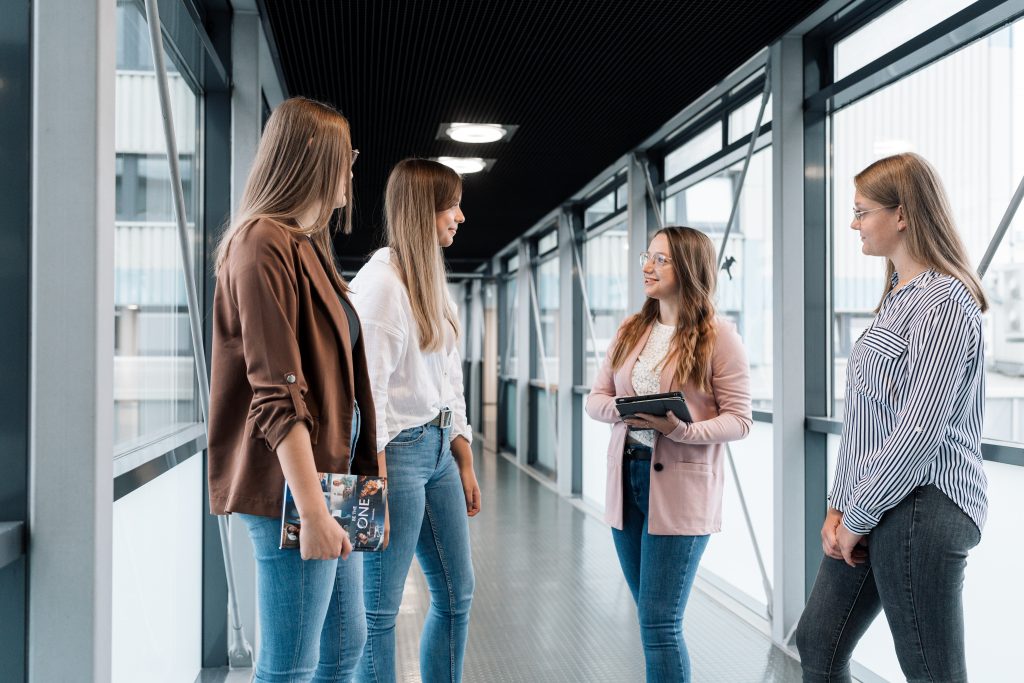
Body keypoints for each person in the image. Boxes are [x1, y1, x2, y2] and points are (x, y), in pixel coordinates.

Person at [795, 153, 989, 683]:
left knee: (932, 672)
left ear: (901, 215)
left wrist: (855, 517)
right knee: (818, 642)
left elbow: (919, 430)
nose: (854, 223)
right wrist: (840, 505)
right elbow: (864, 422)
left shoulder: (945, 301)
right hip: (876, 504)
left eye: (862, 211)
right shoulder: (897, 300)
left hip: (924, 506)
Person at [207, 97, 382, 683]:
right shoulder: (261, 242)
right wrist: (312, 509)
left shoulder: (307, 245)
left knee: (343, 648)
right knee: (290, 667)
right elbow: (276, 392)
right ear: (314, 155)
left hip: (332, 477)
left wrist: (361, 474)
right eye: (347, 158)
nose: (352, 173)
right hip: (293, 486)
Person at [586, 226, 752, 682]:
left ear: (689, 268)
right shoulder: (631, 329)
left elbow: (739, 419)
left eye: (661, 260)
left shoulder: (720, 337)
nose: (647, 267)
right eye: (647, 256)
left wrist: (682, 430)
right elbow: (595, 397)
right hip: (628, 481)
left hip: (680, 490)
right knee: (650, 617)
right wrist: (625, 410)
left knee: (660, 623)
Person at [350, 158, 480, 683]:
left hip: (439, 450)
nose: (461, 216)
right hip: (395, 457)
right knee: (378, 611)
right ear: (424, 209)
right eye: (452, 204)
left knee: (456, 595)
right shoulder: (380, 286)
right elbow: (368, 398)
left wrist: (463, 457)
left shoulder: (429, 283)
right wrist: (373, 483)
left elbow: (450, 380)